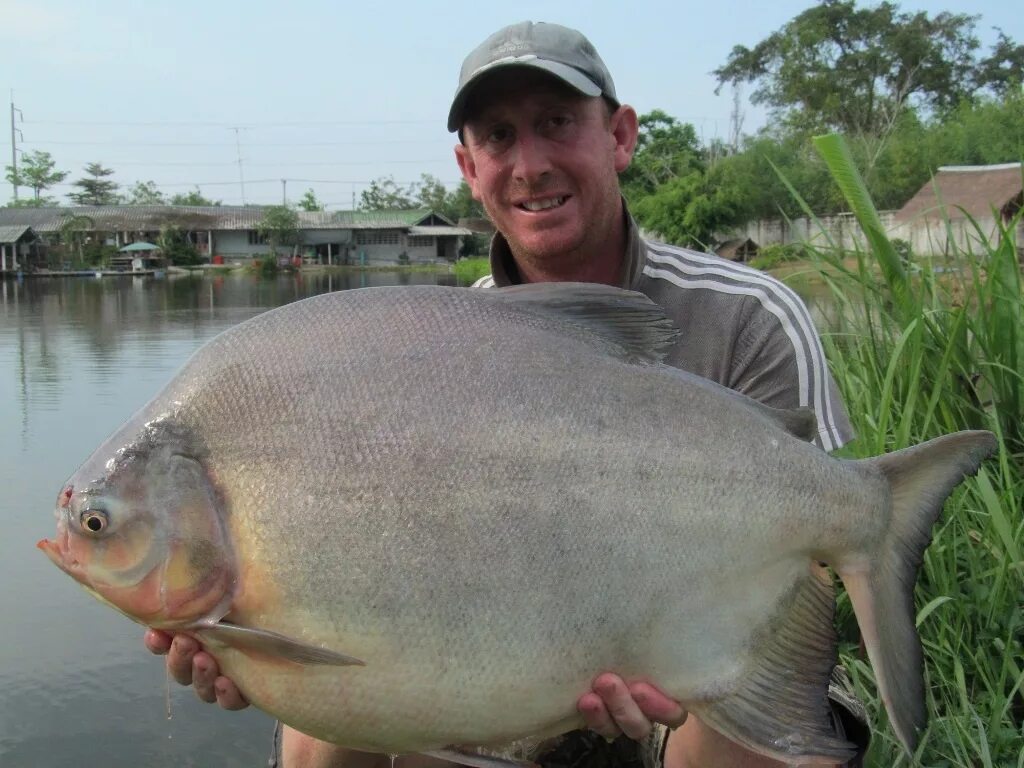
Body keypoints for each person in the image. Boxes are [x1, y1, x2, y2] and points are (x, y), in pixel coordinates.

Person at [147, 20, 868, 768]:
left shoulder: (750, 314)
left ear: (619, 136)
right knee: (320, 739)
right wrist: (267, 661)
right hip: (505, 649)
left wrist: (677, 642)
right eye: (497, 137)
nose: (529, 165)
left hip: (703, 636)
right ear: (468, 166)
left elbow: (806, 561)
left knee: (742, 748)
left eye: (556, 124)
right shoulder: (433, 346)